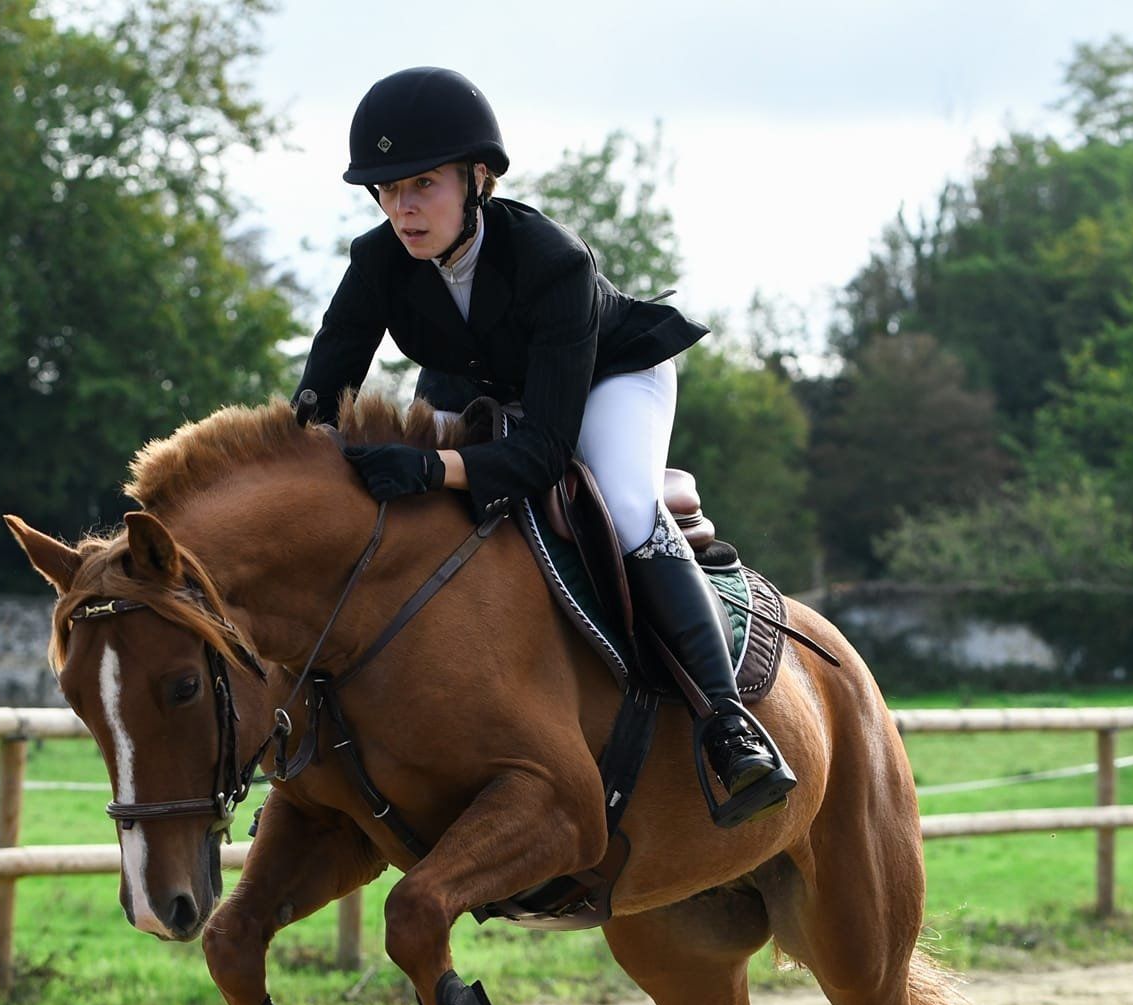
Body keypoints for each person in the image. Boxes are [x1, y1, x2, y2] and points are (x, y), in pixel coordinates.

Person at [294, 66, 795, 827]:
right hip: (479, 384)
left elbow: (544, 449)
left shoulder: (551, 258)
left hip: (606, 379)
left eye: (422, 183)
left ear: (478, 178)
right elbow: (318, 398)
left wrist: (431, 465)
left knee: (625, 504)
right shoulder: (377, 264)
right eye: (387, 190)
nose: (403, 207)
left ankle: (727, 725)